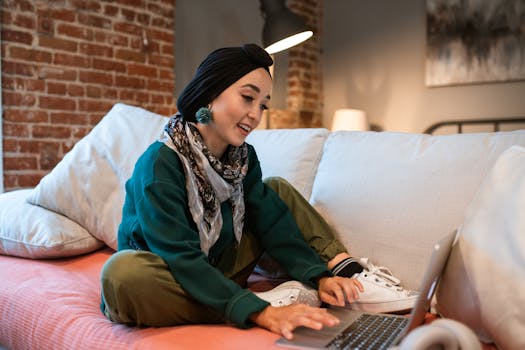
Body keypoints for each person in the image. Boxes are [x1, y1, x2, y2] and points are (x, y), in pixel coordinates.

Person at [100, 43, 417, 340]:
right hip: (167, 276)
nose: (255, 114)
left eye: (262, 104)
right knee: (121, 273)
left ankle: (348, 275)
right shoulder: (159, 165)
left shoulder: (242, 158)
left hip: (219, 266)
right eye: (248, 98)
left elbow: (272, 222)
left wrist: (318, 276)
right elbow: (179, 258)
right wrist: (261, 312)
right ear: (210, 93)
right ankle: (249, 304)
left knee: (275, 191)